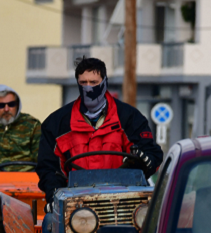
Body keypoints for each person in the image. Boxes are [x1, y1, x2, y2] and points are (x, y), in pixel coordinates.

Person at [36, 57, 164, 207]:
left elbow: (151, 153)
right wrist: (55, 197)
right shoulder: (56, 124)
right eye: (83, 83)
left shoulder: (129, 118)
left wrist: (145, 162)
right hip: (75, 204)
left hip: (123, 201)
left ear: (104, 83)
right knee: (49, 223)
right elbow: (48, 168)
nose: (88, 88)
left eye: (94, 82)